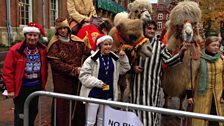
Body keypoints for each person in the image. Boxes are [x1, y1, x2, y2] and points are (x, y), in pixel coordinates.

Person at [131, 20, 191, 126]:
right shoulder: (136, 44)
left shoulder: (160, 46)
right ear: (144, 29)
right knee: (136, 111)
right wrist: (133, 68)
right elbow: (127, 62)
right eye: (149, 28)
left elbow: (169, 61)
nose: (152, 31)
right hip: (137, 86)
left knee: (151, 113)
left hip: (152, 87)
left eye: (154, 29)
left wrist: (181, 51)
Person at [79, 34, 131, 126]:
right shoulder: (91, 59)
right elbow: (83, 76)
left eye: (110, 44)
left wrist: (123, 57)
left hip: (107, 94)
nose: (108, 47)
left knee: (102, 120)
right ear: (100, 46)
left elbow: (125, 68)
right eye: (105, 44)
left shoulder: (114, 58)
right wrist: (98, 83)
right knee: (90, 122)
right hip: (94, 94)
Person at [47, 17, 90, 126]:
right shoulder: (54, 44)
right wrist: (74, 70)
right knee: (63, 105)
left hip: (77, 80)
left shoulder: (77, 41)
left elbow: (89, 54)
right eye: (60, 28)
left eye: (64, 28)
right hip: (62, 81)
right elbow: (56, 65)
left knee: (77, 104)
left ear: (68, 28)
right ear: (57, 30)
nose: (62, 30)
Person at [2, 22, 48, 126]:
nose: (32, 38)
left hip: (36, 86)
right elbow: (7, 71)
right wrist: (10, 90)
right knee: (20, 115)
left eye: (35, 35)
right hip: (21, 88)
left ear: (38, 36)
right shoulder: (15, 50)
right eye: (30, 35)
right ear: (25, 35)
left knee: (33, 112)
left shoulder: (43, 50)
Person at [186, 36, 224, 126]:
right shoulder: (199, 59)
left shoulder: (221, 59)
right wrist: (189, 95)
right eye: (213, 45)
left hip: (217, 95)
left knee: (216, 120)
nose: (216, 47)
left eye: (217, 45)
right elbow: (191, 77)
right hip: (201, 96)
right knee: (201, 119)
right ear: (206, 46)